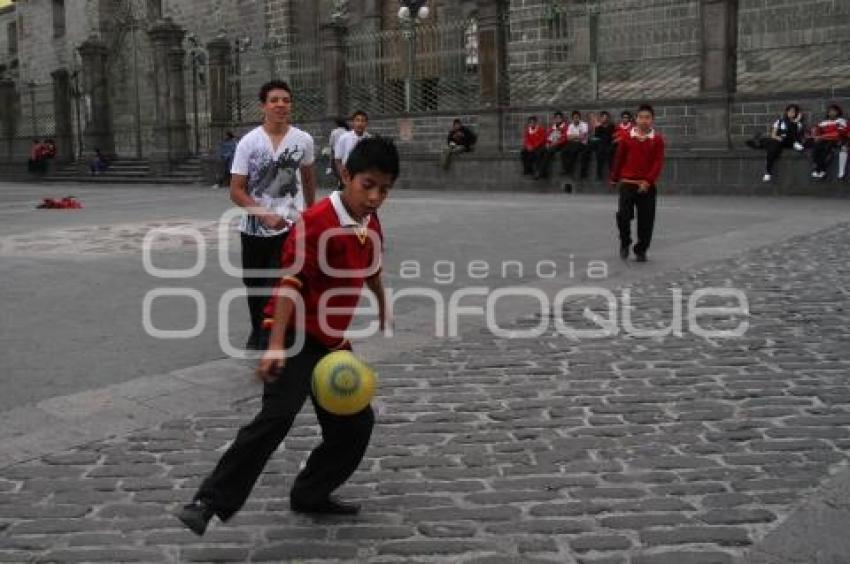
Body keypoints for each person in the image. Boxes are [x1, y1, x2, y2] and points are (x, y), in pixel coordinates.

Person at [176, 136, 399, 536]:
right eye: (368, 185)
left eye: (384, 190)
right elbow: (287, 286)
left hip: (331, 343)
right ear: (346, 174)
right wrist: (275, 346)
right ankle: (207, 502)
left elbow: (372, 268)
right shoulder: (313, 223)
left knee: (356, 425)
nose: (375, 197)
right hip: (294, 335)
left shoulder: (370, 221)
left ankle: (311, 493)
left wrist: (383, 304)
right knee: (276, 417)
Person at [229, 80, 317, 350]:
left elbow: (309, 178)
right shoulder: (249, 143)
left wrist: (311, 214)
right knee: (254, 283)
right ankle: (258, 331)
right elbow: (236, 190)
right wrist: (265, 215)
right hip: (254, 228)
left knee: (279, 282)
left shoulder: (303, 140)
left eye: (286, 100)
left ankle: (274, 336)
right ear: (263, 106)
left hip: (290, 226)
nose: (281, 105)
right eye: (274, 100)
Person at [610, 104, 665, 263]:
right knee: (623, 216)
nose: (644, 121)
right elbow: (619, 158)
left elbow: (657, 163)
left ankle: (641, 249)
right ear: (636, 119)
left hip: (647, 186)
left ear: (652, 120)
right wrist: (614, 178)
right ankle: (625, 242)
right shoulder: (627, 137)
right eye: (641, 117)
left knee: (646, 220)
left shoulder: (657, 140)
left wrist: (648, 181)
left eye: (647, 117)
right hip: (627, 183)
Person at [745, 104, 805, 182]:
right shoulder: (780, 121)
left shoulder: (798, 124)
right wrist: (778, 138)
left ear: (796, 114)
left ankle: (759, 143)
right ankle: (768, 172)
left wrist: (796, 121)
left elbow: (796, 134)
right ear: (787, 112)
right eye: (790, 111)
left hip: (789, 141)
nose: (791, 113)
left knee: (781, 138)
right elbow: (773, 134)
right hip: (778, 141)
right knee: (772, 147)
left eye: (793, 112)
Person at [810, 104, 846, 179]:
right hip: (823, 140)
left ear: (838, 112)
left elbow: (839, 133)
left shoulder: (841, 121)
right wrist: (816, 135)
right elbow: (816, 130)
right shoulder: (824, 122)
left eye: (834, 111)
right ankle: (821, 170)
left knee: (826, 147)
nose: (832, 113)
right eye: (830, 111)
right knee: (816, 148)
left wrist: (822, 137)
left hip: (835, 141)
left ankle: (819, 170)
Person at [334, 110, 370, 179]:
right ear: (353, 122)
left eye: (363, 121)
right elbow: (338, 160)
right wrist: (343, 176)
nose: (360, 123)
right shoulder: (344, 138)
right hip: (349, 175)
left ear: (366, 123)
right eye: (357, 120)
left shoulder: (370, 139)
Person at [536, 111, 569, 179]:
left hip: (561, 145)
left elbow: (564, 138)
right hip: (551, 144)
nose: (558, 119)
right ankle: (542, 171)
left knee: (549, 151)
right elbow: (548, 136)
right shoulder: (552, 127)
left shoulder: (565, 127)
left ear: (562, 119)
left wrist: (555, 143)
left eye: (559, 118)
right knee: (540, 150)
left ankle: (540, 172)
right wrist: (547, 143)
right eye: (556, 118)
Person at [587, 111, 615, 180]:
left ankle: (611, 172)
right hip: (601, 144)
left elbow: (609, 136)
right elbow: (597, 136)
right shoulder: (598, 127)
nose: (605, 119)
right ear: (601, 118)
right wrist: (599, 127)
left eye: (606, 117)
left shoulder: (611, 126)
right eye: (603, 117)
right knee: (599, 153)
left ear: (608, 118)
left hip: (608, 144)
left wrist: (602, 132)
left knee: (607, 152)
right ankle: (599, 173)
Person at [562, 110, 590, 177]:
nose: (576, 119)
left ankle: (569, 169)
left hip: (582, 144)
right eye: (574, 118)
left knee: (574, 150)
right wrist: (577, 136)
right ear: (572, 118)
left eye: (577, 117)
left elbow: (582, 137)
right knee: (563, 151)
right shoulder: (570, 126)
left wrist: (573, 136)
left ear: (579, 118)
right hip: (572, 143)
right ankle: (566, 168)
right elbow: (568, 138)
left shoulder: (584, 125)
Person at [327, 117, 349, 186]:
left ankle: (340, 182)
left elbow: (331, 144)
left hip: (336, 154)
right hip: (345, 154)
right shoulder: (348, 132)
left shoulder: (334, 132)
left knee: (337, 170)